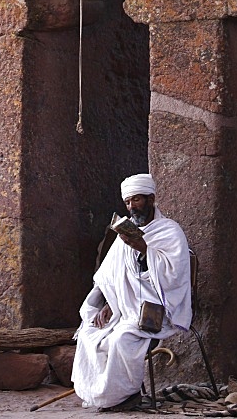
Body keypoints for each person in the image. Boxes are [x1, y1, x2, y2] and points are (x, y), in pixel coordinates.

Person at [71, 173, 192, 412]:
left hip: (156, 309)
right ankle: (103, 395)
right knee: (90, 333)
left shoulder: (170, 231)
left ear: (151, 199)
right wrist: (108, 303)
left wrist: (145, 249)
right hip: (123, 308)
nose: (132, 206)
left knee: (121, 339)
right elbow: (110, 276)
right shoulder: (125, 232)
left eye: (136, 200)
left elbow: (174, 276)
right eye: (127, 202)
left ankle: (127, 395)